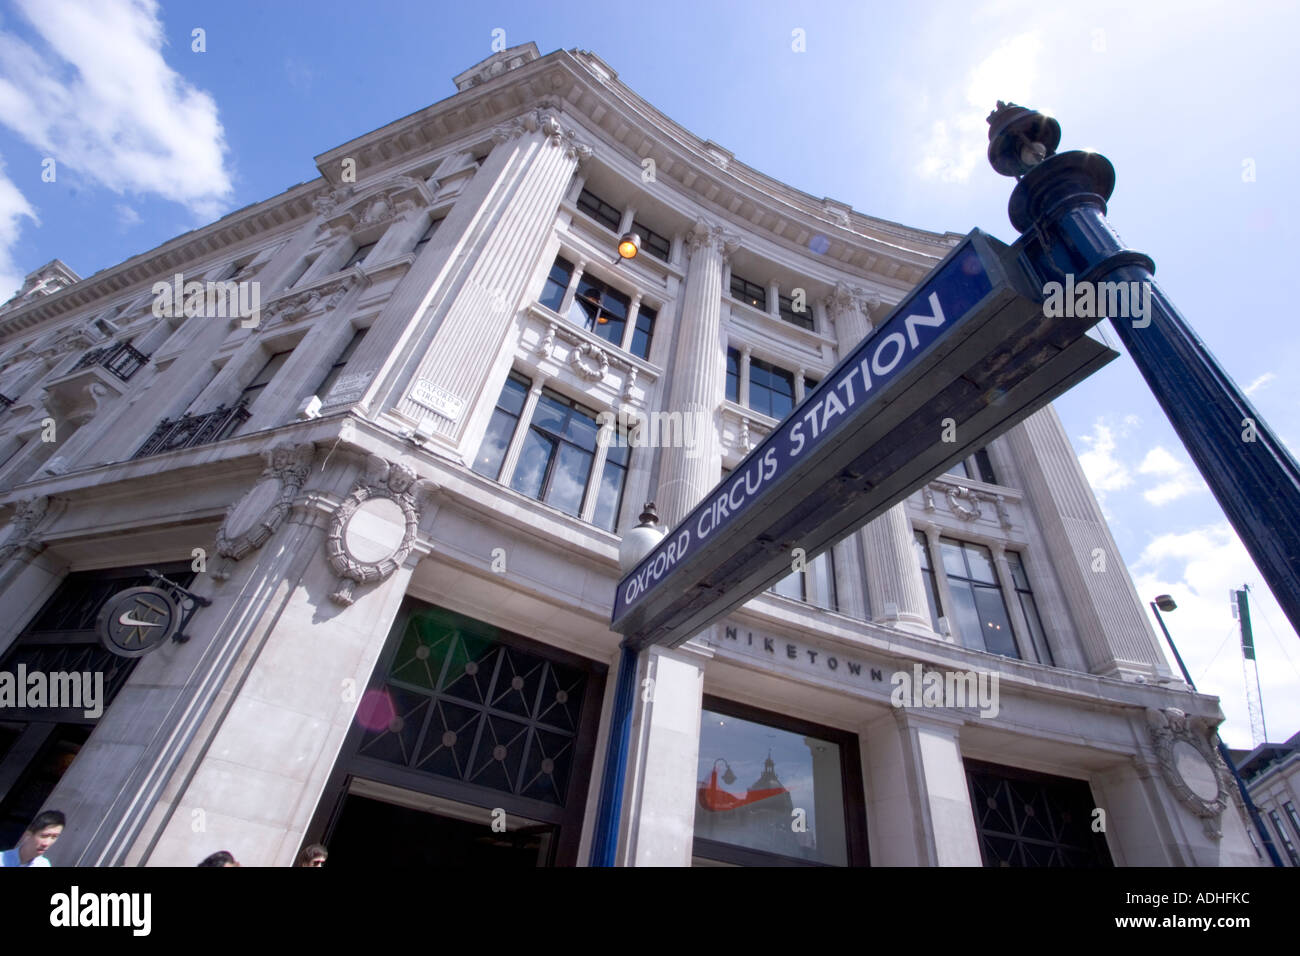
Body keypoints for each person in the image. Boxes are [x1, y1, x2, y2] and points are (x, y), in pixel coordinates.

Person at [0, 810, 65, 867]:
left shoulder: (43, 864)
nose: (47, 843)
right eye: (44, 836)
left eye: (54, 837)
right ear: (29, 834)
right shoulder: (2, 860)